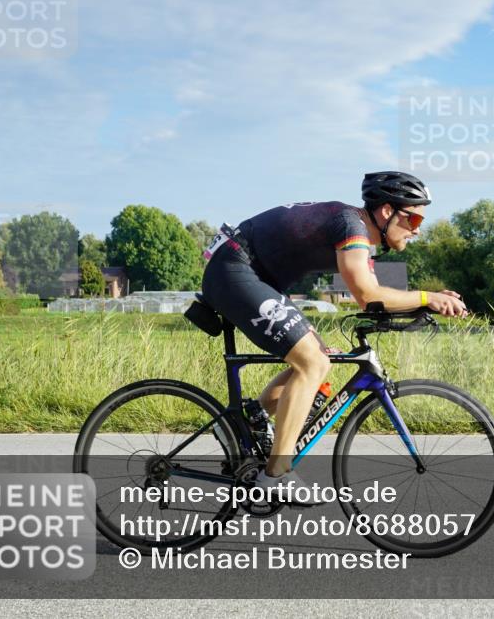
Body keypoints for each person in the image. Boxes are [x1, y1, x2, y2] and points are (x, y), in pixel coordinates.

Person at [200, 171, 467, 504]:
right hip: (235, 269)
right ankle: (276, 476)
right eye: (413, 217)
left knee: (318, 358)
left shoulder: (359, 236)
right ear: (386, 211)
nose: (417, 228)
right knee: (312, 362)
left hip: (254, 275)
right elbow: (366, 295)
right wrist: (427, 298)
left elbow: (378, 297)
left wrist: (423, 301)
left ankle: (242, 421)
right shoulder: (351, 226)